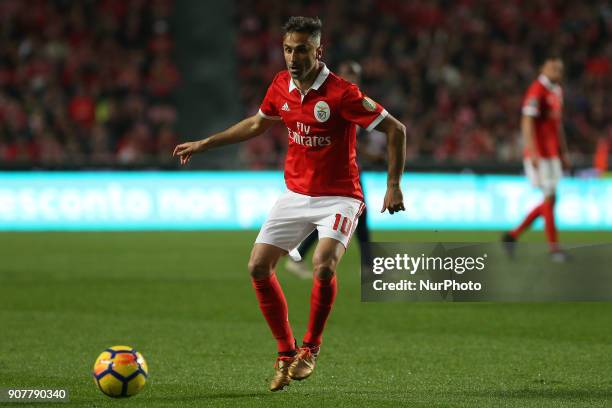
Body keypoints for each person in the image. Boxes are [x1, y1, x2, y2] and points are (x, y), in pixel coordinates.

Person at [173, 16, 406, 391]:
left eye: (301, 49)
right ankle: (286, 352)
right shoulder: (280, 85)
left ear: (318, 51)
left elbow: (396, 128)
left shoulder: (342, 93)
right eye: (287, 49)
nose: (293, 57)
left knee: (324, 264)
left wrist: (393, 185)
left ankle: (310, 349)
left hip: (339, 196)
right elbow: (255, 124)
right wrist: (205, 143)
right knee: (257, 267)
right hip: (295, 194)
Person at [284, 60, 381, 278]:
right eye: (349, 73)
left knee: (354, 217)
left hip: (350, 169)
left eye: (356, 74)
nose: (353, 77)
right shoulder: (336, 98)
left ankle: (367, 265)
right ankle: (368, 266)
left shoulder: (352, 97)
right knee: (348, 218)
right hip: (337, 172)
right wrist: (371, 154)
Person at [502, 55, 570, 262]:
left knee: (551, 199)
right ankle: (554, 249)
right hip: (539, 155)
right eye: (552, 67)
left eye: (559, 67)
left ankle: (512, 236)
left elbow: (557, 125)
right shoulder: (536, 90)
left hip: (552, 154)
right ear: (543, 68)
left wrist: (563, 151)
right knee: (549, 199)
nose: (557, 70)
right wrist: (532, 152)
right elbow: (526, 122)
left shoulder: (557, 91)